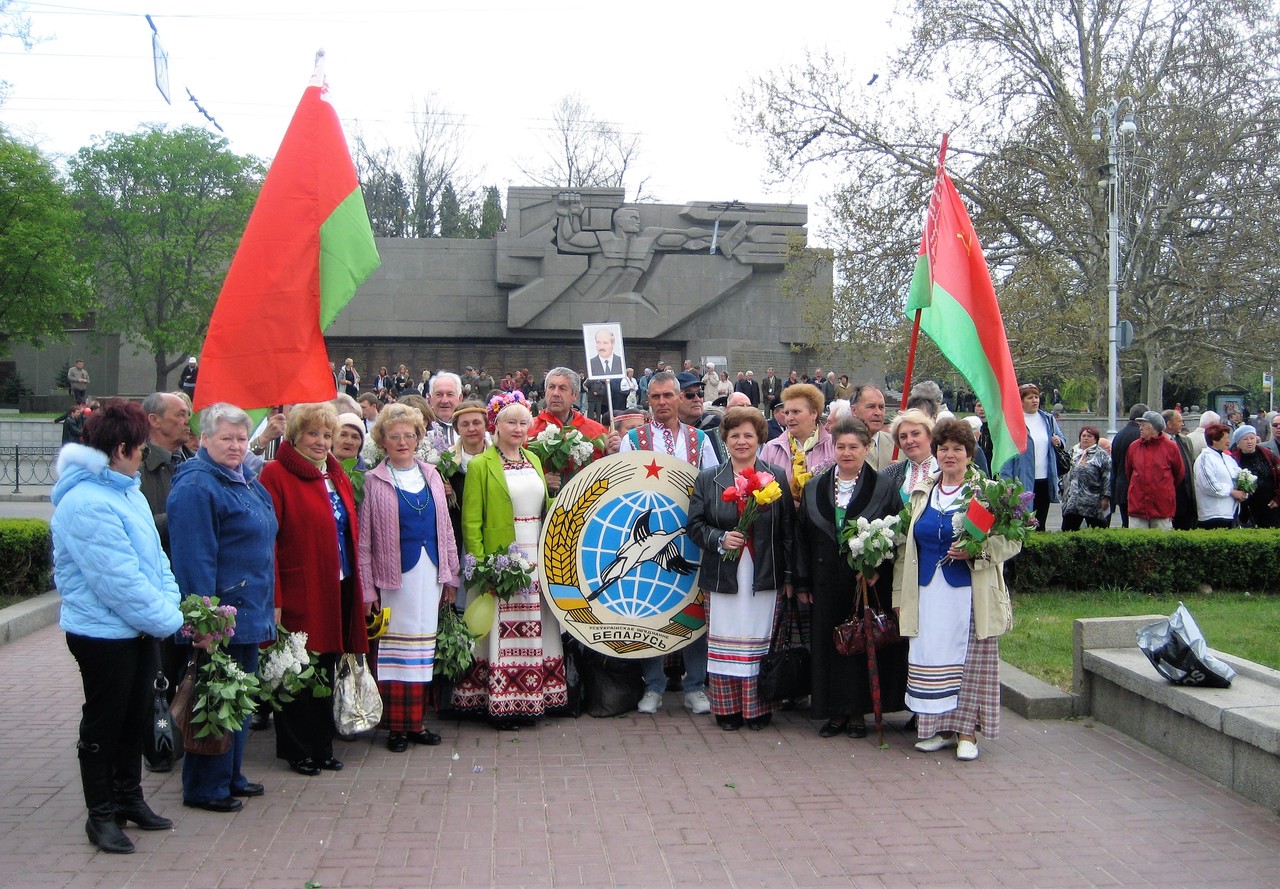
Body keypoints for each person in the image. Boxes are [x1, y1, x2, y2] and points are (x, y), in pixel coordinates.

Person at [51, 399, 183, 853]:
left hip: (139, 627)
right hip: (102, 635)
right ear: (121, 448)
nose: (144, 456)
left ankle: (130, 798)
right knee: (105, 724)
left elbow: (156, 562)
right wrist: (169, 618)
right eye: (141, 449)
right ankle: (101, 814)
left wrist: (167, 606)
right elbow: (118, 580)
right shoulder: (87, 502)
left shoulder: (125, 490)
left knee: (135, 718)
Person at [167, 403, 277, 813]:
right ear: (205, 439)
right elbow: (195, 558)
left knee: (240, 697)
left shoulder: (242, 479)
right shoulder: (198, 486)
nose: (235, 446)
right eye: (226, 438)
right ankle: (205, 786)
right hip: (221, 616)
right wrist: (204, 619)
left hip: (250, 608)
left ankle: (230, 774)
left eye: (241, 438)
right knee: (213, 698)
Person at [894, 418, 1020, 762]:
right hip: (928, 594)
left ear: (969, 454)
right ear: (935, 452)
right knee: (934, 659)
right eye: (943, 448)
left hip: (970, 594)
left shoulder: (987, 493)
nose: (950, 455)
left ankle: (968, 733)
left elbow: (1013, 541)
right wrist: (897, 598)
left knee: (968, 662)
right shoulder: (923, 492)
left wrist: (976, 551)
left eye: (957, 449)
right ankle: (942, 728)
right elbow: (907, 549)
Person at [259, 403, 368, 776]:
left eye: (326, 435)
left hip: (338, 583)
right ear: (294, 436)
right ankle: (296, 748)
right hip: (299, 585)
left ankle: (322, 745)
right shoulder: (275, 475)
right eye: (313, 434)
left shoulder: (334, 474)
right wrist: (274, 597)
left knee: (327, 663)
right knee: (296, 669)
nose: (321, 442)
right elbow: (267, 542)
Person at [452, 393, 566, 727]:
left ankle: (536, 695)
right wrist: (482, 564)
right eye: (510, 422)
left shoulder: (534, 458)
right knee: (501, 628)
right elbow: (471, 521)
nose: (518, 429)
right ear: (496, 425)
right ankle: (503, 700)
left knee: (539, 623)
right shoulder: (480, 464)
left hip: (536, 552)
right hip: (502, 553)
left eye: (523, 423)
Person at [793, 416, 906, 738]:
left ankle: (857, 713)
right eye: (840, 446)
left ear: (866, 448)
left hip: (864, 582)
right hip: (824, 580)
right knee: (830, 645)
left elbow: (895, 533)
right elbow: (802, 536)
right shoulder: (816, 485)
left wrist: (875, 569)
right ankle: (834, 711)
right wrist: (802, 582)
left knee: (858, 644)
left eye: (853, 446)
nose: (846, 452)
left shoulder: (883, 487)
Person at [358, 403, 460, 751]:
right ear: (382, 441)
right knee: (394, 651)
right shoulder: (374, 480)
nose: (402, 442)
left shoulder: (431, 474)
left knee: (423, 649)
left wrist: (451, 574)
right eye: (394, 436)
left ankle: (416, 723)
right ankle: (396, 728)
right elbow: (364, 541)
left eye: (409, 435)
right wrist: (367, 590)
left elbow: (445, 528)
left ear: (418, 438)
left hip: (429, 573)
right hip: (392, 578)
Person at [687, 407, 794, 731]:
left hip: (763, 572)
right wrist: (719, 537)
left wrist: (788, 576)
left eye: (748, 435)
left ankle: (757, 707)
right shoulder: (709, 478)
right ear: (725, 440)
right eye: (735, 435)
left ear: (760, 438)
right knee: (726, 638)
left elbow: (788, 530)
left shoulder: (775, 475)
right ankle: (727, 708)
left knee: (758, 637)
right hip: (723, 572)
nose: (742, 441)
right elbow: (694, 525)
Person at [620, 370, 718, 715]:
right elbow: (622, 492)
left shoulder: (701, 441)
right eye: (656, 396)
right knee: (650, 609)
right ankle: (654, 685)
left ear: (680, 398)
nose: (662, 402)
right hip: (648, 538)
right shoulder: (633, 440)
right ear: (648, 400)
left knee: (693, 608)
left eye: (668, 396)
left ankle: (695, 685)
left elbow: (715, 490)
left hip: (691, 538)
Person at [998, 383, 1063, 531]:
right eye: (1029, 397)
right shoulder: (1013, 422)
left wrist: (1058, 441)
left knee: (1040, 523)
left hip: (1045, 479)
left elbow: (1061, 439)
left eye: (1036, 397)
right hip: (1022, 481)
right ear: (1020, 401)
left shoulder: (1048, 419)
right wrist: (1007, 483)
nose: (1034, 400)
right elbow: (1006, 456)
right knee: (1024, 523)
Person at [761, 383, 834, 506]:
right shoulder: (771, 448)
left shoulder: (835, 446)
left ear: (814, 414)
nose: (789, 418)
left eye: (796, 412)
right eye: (787, 412)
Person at [1125, 411, 1184, 530]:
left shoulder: (1171, 447)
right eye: (1139, 425)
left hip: (1162, 507)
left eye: (1143, 425)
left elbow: (1179, 474)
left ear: (1155, 427)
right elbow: (1129, 472)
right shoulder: (1133, 447)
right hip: (1138, 507)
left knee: (1161, 545)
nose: (1140, 428)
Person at [1060, 426, 1112, 531]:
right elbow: (1063, 472)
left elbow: (1107, 477)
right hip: (1072, 503)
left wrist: (1105, 497)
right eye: (1083, 436)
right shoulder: (1072, 452)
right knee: (1068, 531)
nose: (1086, 438)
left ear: (1096, 439)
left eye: (1089, 436)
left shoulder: (1102, 456)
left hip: (1093, 502)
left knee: (1097, 532)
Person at [1229, 424, 1280, 528]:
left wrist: (1278, 498)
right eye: (1245, 439)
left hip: (1270, 506)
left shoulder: (1268, 454)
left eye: (1252, 438)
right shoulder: (1232, 459)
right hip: (1246, 508)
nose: (1249, 442)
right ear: (1238, 443)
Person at [1193, 423, 1243, 529]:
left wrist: (1243, 491)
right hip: (1213, 515)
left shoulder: (1229, 459)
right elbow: (1209, 485)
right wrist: (1232, 492)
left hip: (1232, 513)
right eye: (1225, 438)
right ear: (1214, 440)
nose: (1228, 441)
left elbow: (1238, 479)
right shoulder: (1204, 458)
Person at [882, 408, 938, 500]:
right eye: (903, 437)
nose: (909, 441)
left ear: (930, 436)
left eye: (915, 434)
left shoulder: (946, 471)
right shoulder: (890, 473)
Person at [1110, 403, 1149, 527]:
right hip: (1138, 488)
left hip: (1121, 487)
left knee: (1126, 524)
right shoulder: (1142, 436)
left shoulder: (1119, 436)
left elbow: (1114, 464)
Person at [1164, 409, 1198, 530]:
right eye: (1180, 421)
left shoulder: (1185, 440)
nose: (1182, 424)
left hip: (1186, 496)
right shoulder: (1160, 442)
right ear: (1169, 424)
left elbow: (1190, 464)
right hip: (1168, 497)